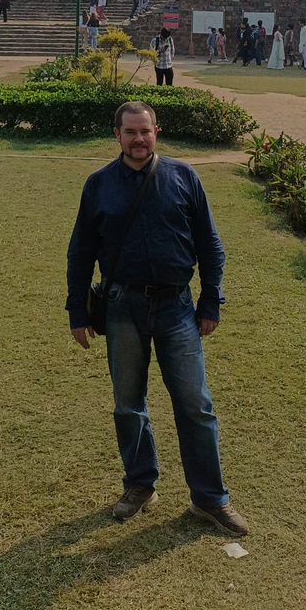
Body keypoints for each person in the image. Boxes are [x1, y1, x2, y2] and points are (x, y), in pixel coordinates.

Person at [65, 101, 248, 536]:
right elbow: (81, 252)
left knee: (195, 405)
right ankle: (140, 484)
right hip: (122, 308)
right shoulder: (99, 185)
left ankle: (210, 498)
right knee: (129, 404)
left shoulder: (184, 177)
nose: (138, 139)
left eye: (145, 131)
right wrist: (77, 311)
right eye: (130, 132)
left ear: (156, 132)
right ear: (117, 135)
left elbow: (210, 245)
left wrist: (211, 301)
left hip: (177, 308)